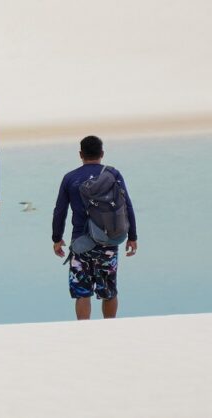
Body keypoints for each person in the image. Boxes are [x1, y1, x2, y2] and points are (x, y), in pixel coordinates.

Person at [51, 135, 138, 320]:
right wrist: (132, 236)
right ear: (102, 153)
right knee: (109, 290)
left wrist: (57, 238)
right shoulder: (113, 174)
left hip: (80, 243)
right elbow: (127, 205)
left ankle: (84, 330)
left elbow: (60, 211)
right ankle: (110, 327)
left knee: (82, 292)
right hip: (108, 240)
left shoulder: (70, 178)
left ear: (80, 154)